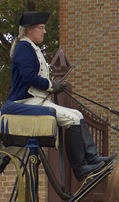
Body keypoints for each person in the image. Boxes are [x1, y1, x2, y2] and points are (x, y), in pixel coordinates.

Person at [6, 11, 113, 178]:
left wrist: (52, 86)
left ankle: (92, 158)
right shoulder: (24, 48)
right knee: (73, 119)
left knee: (77, 115)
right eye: (41, 28)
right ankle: (79, 168)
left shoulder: (31, 47)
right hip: (25, 102)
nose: (44, 31)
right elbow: (29, 77)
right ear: (29, 29)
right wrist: (51, 85)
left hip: (36, 100)